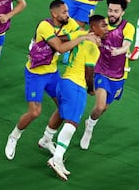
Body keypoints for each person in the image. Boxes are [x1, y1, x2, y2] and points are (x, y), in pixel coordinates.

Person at [4, 0, 99, 160]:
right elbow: (60, 48)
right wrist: (83, 38)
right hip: (35, 74)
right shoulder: (45, 26)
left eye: (67, 11)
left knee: (64, 107)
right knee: (35, 112)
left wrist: (92, 34)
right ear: (54, 14)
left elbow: (80, 31)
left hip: (52, 73)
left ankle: (46, 139)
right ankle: (14, 136)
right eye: (64, 12)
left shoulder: (69, 23)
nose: (68, 15)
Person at [46, 15, 108, 181]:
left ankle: (46, 138)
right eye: (103, 25)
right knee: (72, 123)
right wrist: (91, 89)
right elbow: (89, 72)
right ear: (93, 28)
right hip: (76, 86)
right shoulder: (92, 47)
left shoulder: (80, 37)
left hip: (63, 82)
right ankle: (57, 158)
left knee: (61, 112)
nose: (106, 28)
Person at [79, 0, 135, 150]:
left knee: (104, 108)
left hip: (118, 74)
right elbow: (90, 36)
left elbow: (126, 45)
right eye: (110, 10)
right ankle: (89, 129)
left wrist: (120, 51)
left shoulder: (128, 27)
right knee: (99, 106)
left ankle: (90, 122)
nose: (112, 14)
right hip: (101, 70)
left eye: (116, 11)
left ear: (122, 12)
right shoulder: (101, 24)